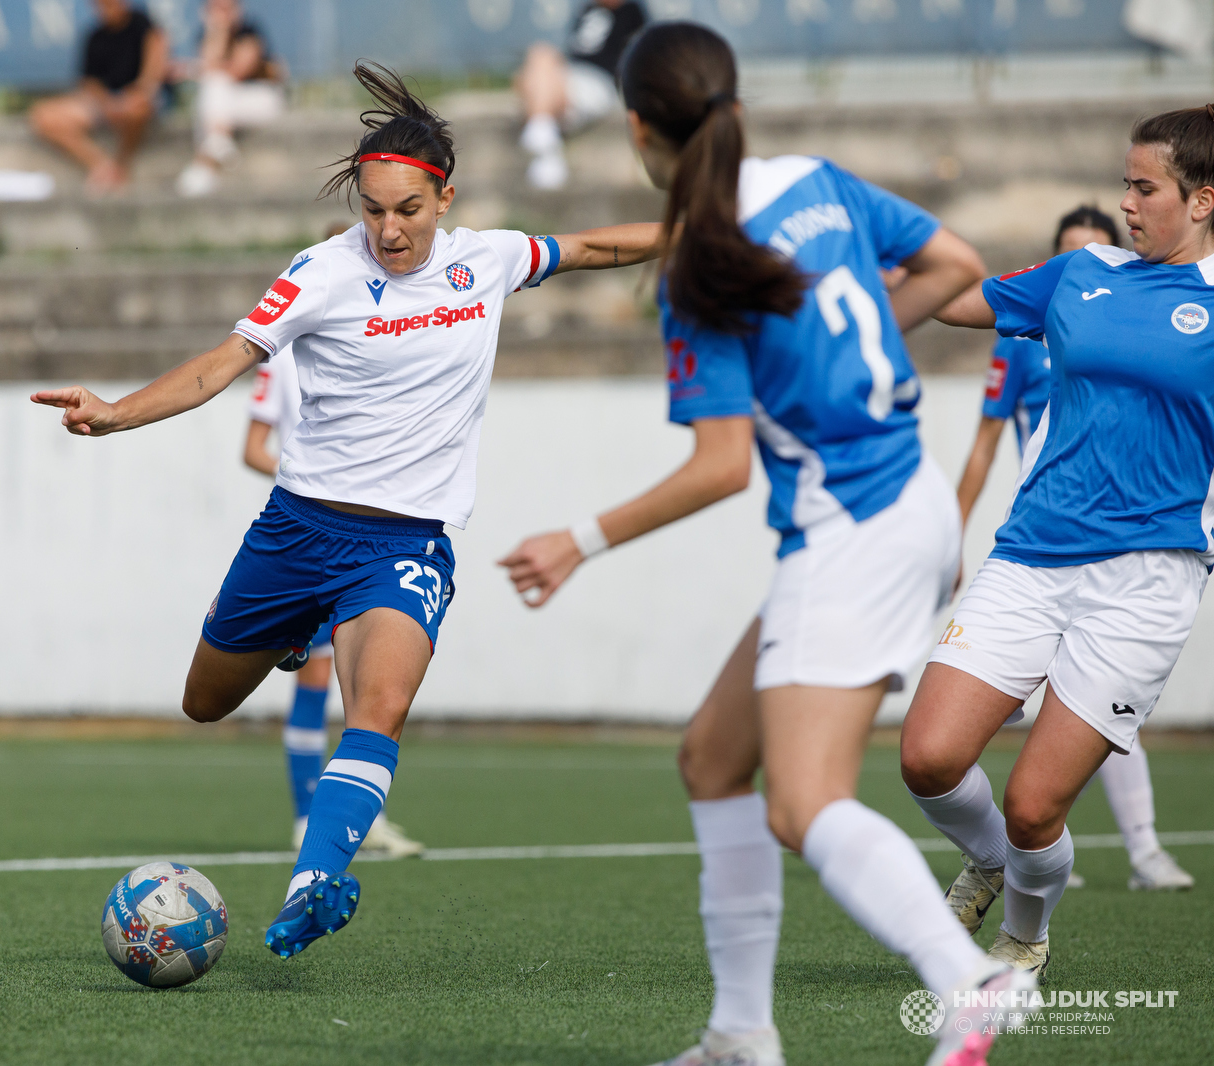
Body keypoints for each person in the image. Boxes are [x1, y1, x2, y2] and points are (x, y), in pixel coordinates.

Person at [33, 61, 666, 961]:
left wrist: (704, 227)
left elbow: (597, 249)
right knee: (204, 703)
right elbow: (222, 364)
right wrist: (117, 411)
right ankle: (296, 629)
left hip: (404, 543)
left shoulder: (487, 260)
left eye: (407, 209)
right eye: (372, 210)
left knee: (380, 704)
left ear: (443, 198)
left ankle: (313, 882)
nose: (388, 228)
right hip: (297, 532)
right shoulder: (320, 274)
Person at [499, 23, 1032, 1066]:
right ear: (734, 107)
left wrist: (578, 539)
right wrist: (850, 335)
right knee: (711, 759)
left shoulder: (701, 265)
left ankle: (969, 982)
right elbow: (955, 264)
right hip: (907, 498)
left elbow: (719, 467)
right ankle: (740, 1034)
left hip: (851, 530)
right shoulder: (816, 182)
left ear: (639, 130)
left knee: (803, 802)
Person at [901, 105, 1214, 986]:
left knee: (1035, 805)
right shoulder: (1081, 273)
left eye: (1144, 187)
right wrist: (865, 291)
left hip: (1146, 580)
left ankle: (1025, 938)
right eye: (1125, 182)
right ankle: (992, 861)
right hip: (1032, 554)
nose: (1127, 202)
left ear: (1202, 201)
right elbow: (963, 301)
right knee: (926, 757)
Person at [953, 204, 1195, 896]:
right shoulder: (1028, 334)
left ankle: (1141, 852)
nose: (1085, 258)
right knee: (969, 732)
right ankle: (1015, 849)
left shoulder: (1158, 320)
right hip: (1043, 538)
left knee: (1094, 720)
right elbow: (983, 441)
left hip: (1131, 555)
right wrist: (954, 530)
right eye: (1069, 251)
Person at [241, 272, 424, 861]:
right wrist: (318, 491)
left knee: (368, 685)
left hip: (374, 540)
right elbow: (253, 447)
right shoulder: (284, 354)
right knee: (319, 680)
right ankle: (305, 816)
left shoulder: (389, 344)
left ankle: (350, 817)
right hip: (314, 536)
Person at [28, 0, 168, 193]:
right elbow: (89, 83)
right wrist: (108, 103)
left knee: (138, 108)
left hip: (137, 100)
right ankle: (104, 167)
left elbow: (156, 56)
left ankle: (121, 164)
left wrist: (142, 90)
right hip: (104, 104)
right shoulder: (94, 36)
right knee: (43, 115)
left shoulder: (142, 24)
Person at [515, 0, 646, 190]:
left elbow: (634, 59)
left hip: (599, 82)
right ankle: (545, 140)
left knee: (541, 57)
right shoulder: (588, 10)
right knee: (536, 62)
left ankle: (541, 134)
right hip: (572, 77)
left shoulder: (631, 12)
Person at [176, 0, 286, 198]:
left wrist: (199, 68)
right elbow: (209, 63)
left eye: (226, 8)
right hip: (226, 105)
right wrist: (217, 31)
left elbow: (239, 70)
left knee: (214, 85)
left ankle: (204, 163)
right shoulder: (206, 34)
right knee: (212, 87)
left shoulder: (249, 30)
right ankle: (217, 145)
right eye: (216, 8)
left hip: (259, 97)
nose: (222, 13)